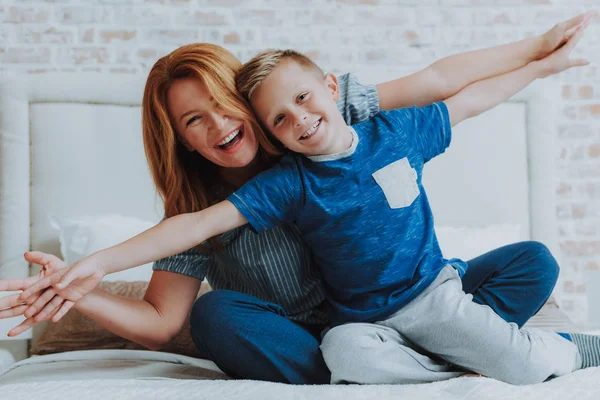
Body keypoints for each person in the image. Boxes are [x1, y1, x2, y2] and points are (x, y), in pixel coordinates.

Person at [0, 13, 594, 385]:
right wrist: (82, 281)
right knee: (217, 314)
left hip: (417, 290)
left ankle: (451, 343)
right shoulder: (235, 200)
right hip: (329, 338)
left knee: (531, 263)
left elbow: (440, 82)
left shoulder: (333, 120)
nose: (218, 126)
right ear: (180, 142)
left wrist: (538, 52)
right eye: (192, 122)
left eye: (222, 105)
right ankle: (420, 357)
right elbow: (163, 319)